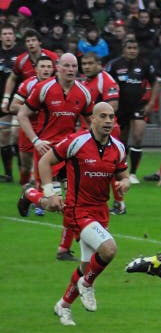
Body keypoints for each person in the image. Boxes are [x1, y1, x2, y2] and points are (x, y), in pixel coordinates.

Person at [36, 102, 128, 326]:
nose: (108, 121)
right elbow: (44, 161)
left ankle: (64, 305)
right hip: (77, 210)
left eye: (111, 117)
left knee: (88, 265)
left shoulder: (118, 147)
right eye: (103, 116)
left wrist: (125, 182)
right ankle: (87, 284)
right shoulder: (76, 142)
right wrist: (50, 193)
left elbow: (123, 173)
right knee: (109, 249)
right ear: (93, 120)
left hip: (100, 211)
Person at [17, 53, 93, 261]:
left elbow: (91, 123)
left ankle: (63, 249)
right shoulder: (44, 89)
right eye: (66, 65)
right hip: (46, 154)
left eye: (74, 66)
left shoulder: (84, 93)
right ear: (58, 67)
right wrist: (35, 141)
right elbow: (22, 115)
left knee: (73, 202)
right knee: (53, 204)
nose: (70, 69)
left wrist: (88, 143)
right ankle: (30, 194)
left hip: (70, 153)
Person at [105, 39, 159, 184]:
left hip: (138, 106)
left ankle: (134, 173)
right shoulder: (114, 64)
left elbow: (155, 82)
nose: (132, 51)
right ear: (124, 49)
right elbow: (104, 80)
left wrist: (151, 102)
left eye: (134, 48)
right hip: (120, 107)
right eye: (129, 48)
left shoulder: (144, 64)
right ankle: (122, 170)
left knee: (138, 137)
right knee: (121, 140)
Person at [80, 52, 126, 214]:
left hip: (107, 130)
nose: (86, 66)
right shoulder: (85, 82)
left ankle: (119, 203)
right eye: (84, 63)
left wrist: (95, 121)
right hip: (90, 131)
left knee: (111, 167)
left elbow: (113, 106)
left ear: (99, 65)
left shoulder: (105, 80)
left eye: (90, 63)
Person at [10, 55, 54, 212]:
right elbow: (13, 107)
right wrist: (32, 107)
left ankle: (39, 203)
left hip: (47, 131)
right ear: (36, 69)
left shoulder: (56, 85)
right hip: (28, 129)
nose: (46, 70)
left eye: (49, 67)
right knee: (27, 166)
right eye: (42, 66)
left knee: (41, 167)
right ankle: (28, 193)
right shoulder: (28, 85)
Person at [0, 23, 23, 183]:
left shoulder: (21, 54)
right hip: (2, 101)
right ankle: (8, 174)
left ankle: (24, 173)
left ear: (14, 36)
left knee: (18, 135)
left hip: (19, 101)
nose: (8, 36)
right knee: (4, 137)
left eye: (10, 33)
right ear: (1, 37)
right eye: (5, 34)